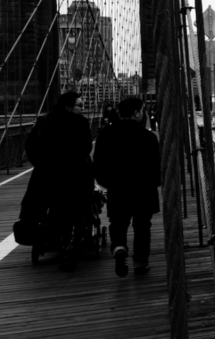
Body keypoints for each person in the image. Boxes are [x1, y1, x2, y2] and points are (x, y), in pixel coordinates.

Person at [19, 90, 95, 271]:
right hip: (75, 176)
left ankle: (57, 237)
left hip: (46, 177)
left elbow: (30, 146)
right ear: (68, 107)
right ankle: (73, 242)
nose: (82, 109)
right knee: (80, 207)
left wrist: (41, 165)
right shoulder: (80, 122)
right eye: (80, 106)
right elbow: (85, 147)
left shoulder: (44, 121)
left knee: (52, 208)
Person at [93, 97, 161, 277]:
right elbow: (156, 167)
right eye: (143, 110)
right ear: (137, 113)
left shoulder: (105, 135)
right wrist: (155, 183)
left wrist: (108, 183)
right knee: (142, 225)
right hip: (143, 190)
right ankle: (140, 262)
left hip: (117, 188)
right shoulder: (148, 138)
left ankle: (119, 246)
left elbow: (98, 165)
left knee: (118, 221)